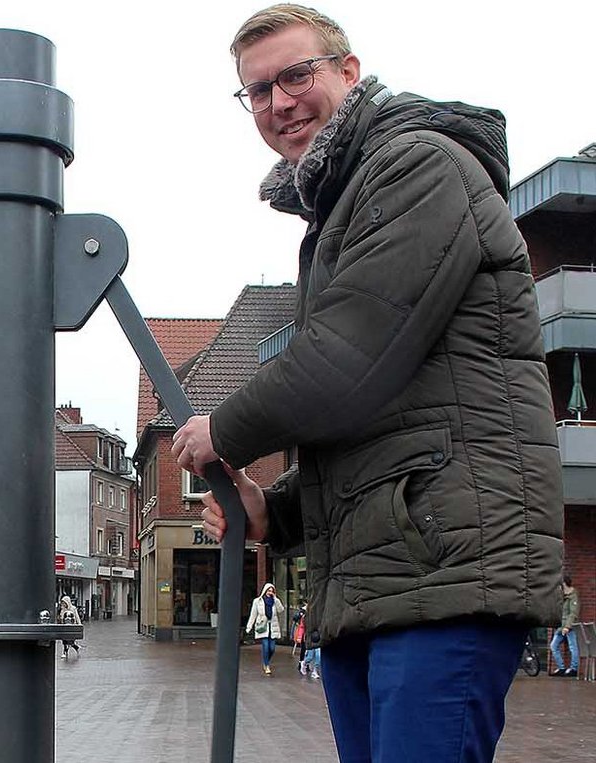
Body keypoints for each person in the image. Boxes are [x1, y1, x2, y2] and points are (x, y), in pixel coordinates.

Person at [171, 4, 563, 760]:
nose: (279, 102)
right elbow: (379, 416)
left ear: (349, 74)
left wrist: (222, 429)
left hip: (446, 576)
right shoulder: (345, 201)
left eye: (296, 74)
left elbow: (346, 361)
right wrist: (274, 515)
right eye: (258, 90)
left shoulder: (417, 164)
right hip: (385, 581)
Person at [245, 583, 284, 675]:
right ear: (265, 591)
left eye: (272, 591)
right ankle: (266, 665)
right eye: (268, 590)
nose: (270, 592)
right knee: (266, 647)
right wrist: (249, 627)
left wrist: (276, 599)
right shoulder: (257, 601)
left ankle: (266, 661)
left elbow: (281, 610)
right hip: (263, 627)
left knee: (272, 648)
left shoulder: (274, 601)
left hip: (273, 627)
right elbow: (253, 614)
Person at [550, 574, 581, 677]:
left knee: (573, 647)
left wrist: (567, 626)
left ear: (564, 583)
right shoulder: (562, 595)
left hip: (568, 626)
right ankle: (561, 668)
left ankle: (573, 668)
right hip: (560, 626)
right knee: (553, 646)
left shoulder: (573, 596)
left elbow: (573, 613)